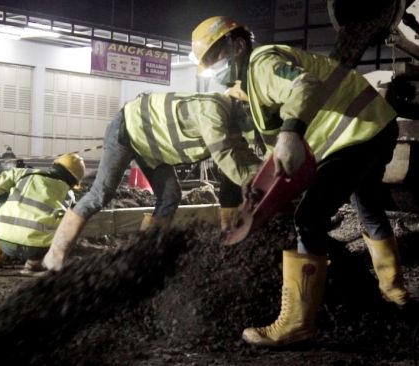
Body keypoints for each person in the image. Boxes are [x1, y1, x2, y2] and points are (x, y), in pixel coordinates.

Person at [191, 16, 409, 347]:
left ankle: (297, 324)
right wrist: (258, 187)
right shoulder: (253, 84)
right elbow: (278, 158)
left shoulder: (262, 64)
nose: (212, 69)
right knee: (368, 206)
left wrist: (291, 132)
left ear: (237, 45)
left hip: (356, 133)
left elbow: (303, 85)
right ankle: (396, 293)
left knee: (309, 219)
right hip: (374, 127)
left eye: (213, 59)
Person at [41, 92, 264, 271]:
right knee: (102, 192)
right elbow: (226, 156)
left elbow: (241, 158)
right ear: (240, 105)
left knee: (170, 196)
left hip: (153, 147)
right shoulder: (213, 111)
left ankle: (146, 252)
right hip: (128, 129)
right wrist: (253, 182)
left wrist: (263, 174)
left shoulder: (231, 127)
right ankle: (55, 255)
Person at [0, 153, 85, 272]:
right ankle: (34, 262)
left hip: (4, 241)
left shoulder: (23, 173)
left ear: (54, 165)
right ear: (74, 182)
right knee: (64, 222)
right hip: (37, 249)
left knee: (2, 196)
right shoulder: (69, 196)